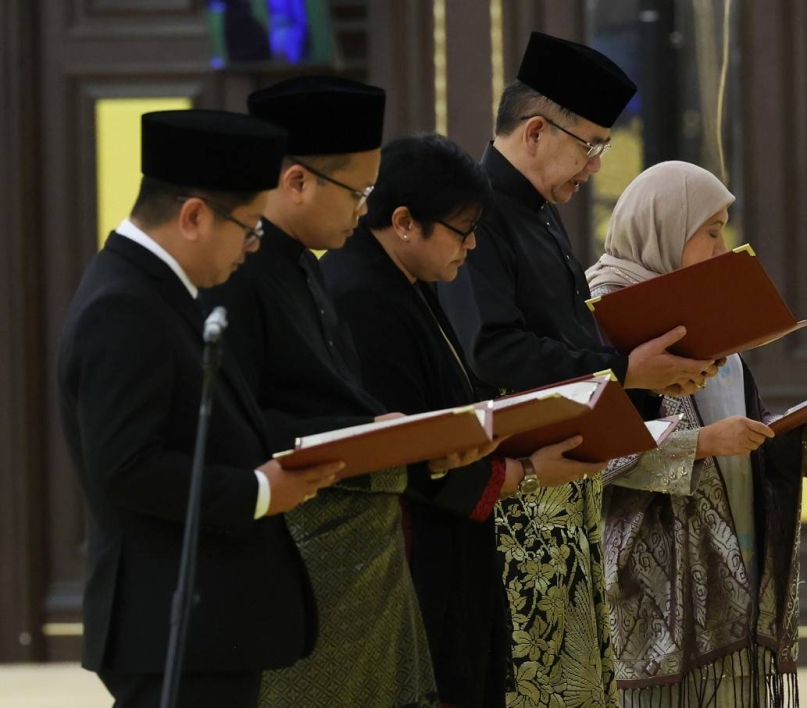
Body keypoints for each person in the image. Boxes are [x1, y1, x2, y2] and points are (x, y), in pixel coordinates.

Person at [437, 32, 721, 705]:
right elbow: (495, 352)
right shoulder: (477, 215)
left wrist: (645, 379)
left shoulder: (539, 213)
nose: (596, 165)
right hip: (518, 506)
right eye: (591, 144)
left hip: (573, 505)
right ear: (537, 130)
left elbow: (567, 338)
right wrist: (626, 369)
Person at [201, 75, 477, 707]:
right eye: (360, 190)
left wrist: (400, 436)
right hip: (303, 557)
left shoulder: (306, 263)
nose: (365, 207)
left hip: (363, 559)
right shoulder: (235, 273)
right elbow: (233, 425)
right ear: (297, 181)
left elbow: (329, 397)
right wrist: (370, 440)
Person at [57, 109, 344, 708]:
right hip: (170, 622)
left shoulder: (162, 289)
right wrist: (257, 493)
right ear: (193, 216)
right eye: (249, 228)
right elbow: (125, 467)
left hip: (202, 625)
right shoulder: (125, 305)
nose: (252, 247)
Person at [321, 133, 607, 707]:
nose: (473, 245)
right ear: (404, 222)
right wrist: (522, 470)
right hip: (403, 560)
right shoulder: (360, 296)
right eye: (462, 230)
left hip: (450, 550)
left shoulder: (407, 282)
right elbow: (406, 450)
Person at [586, 161, 807, 706]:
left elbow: (743, 432)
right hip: (655, 598)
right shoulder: (606, 325)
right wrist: (704, 444)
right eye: (710, 231)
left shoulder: (713, 320)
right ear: (665, 227)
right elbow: (597, 455)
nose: (722, 248)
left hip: (733, 581)